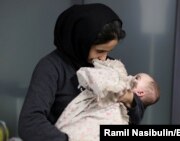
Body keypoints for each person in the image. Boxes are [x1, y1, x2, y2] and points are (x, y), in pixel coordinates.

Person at [18, 3, 145, 141]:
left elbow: (135, 116)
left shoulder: (109, 66)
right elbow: (30, 123)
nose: (104, 58)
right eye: (100, 51)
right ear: (81, 42)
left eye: (109, 51)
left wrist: (129, 99)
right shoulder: (51, 68)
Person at [55, 59, 160, 141]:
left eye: (137, 78)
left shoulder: (138, 108)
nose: (132, 76)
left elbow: (135, 117)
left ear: (140, 93)